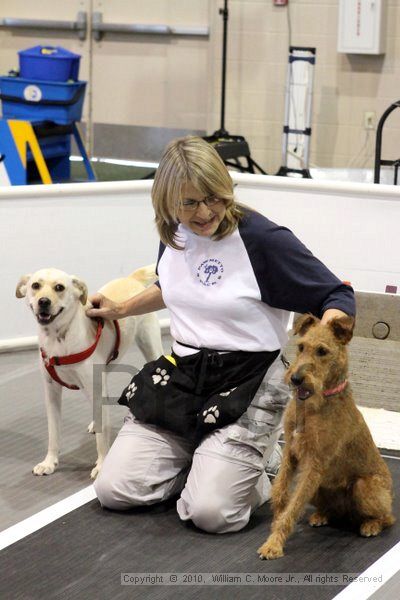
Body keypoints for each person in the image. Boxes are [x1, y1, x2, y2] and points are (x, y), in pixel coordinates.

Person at [87, 136, 355, 534]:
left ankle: (263, 464)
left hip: (248, 380)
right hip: (183, 374)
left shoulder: (263, 240)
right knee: (114, 489)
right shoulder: (173, 234)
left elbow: (336, 293)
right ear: (168, 203)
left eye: (214, 197)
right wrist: (122, 308)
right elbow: (178, 288)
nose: (205, 211)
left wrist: (328, 334)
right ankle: (209, 463)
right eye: (190, 202)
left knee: (213, 514)